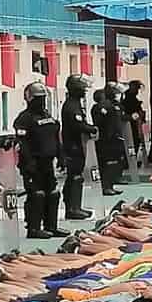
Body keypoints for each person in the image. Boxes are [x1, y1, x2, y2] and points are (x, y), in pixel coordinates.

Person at [14, 81, 68, 240]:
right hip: (32, 163)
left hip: (47, 163)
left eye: (43, 98)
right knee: (36, 195)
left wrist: (61, 156)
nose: (41, 101)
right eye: (38, 98)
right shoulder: (23, 119)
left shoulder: (48, 116)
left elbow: (55, 139)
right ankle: (34, 228)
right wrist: (28, 162)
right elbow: (22, 143)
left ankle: (51, 226)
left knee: (53, 194)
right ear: (29, 98)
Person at [60, 74, 97, 219]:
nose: (84, 91)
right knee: (75, 176)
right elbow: (77, 125)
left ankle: (76, 206)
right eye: (82, 88)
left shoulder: (75, 103)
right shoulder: (71, 105)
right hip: (73, 146)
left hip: (77, 145)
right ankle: (72, 208)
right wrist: (91, 128)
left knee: (77, 176)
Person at [92, 83, 127, 196]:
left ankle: (110, 185)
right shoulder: (103, 106)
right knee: (107, 164)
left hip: (115, 138)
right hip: (106, 140)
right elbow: (100, 122)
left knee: (114, 164)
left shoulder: (114, 105)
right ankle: (106, 187)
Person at [122, 80, 146, 158]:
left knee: (134, 139)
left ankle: (132, 157)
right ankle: (131, 158)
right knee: (133, 140)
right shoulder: (129, 97)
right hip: (131, 121)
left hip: (133, 120)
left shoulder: (130, 96)